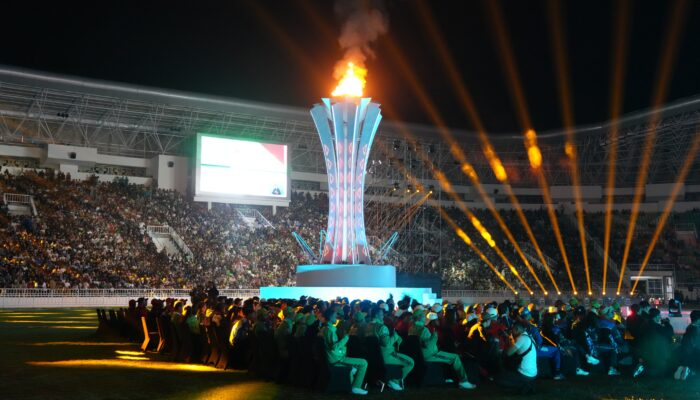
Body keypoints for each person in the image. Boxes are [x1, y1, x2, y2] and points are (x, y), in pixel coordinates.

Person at [408, 309, 476, 389]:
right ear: (420, 317)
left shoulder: (411, 328)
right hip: (430, 354)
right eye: (423, 316)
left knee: (447, 354)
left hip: (420, 355)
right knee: (455, 357)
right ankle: (464, 381)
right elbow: (427, 345)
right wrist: (434, 336)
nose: (425, 318)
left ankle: (446, 377)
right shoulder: (424, 329)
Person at [318, 308, 368, 395]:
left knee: (354, 367)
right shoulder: (330, 330)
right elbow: (335, 347)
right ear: (330, 318)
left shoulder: (325, 328)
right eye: (334, 316)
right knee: (363, 362)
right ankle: (356, 387)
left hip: (333, 357)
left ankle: (352, 383)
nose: (336, 318)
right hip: (336, 359)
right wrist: (347, 336)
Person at [365, 306, 414, 391]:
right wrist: (395, 336)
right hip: (386, 355)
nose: (383, 316)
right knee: (410, 362)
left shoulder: (367, 326)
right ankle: (394, 381)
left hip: (372, 357)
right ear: (376, 315)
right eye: (381, 314)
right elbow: (387, 344)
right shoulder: (381, 327)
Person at [498, 321, 537, 394]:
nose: (512, 332)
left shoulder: (521, 338)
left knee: (500, 380)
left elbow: (508, 353)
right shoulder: (527, 337)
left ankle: (524, 386)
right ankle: (527, 384)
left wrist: (508, 341)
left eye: (512, 330)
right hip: (532, 373)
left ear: (517, 329)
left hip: (525, 374)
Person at [675, 310, 700, 380]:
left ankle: (683, 369)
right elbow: (697, 345)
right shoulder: (697, 330)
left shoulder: (689, 327)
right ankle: (689, 371)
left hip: (684, 352)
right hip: (693, 354)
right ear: (698, 320)